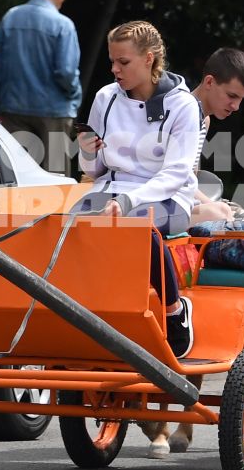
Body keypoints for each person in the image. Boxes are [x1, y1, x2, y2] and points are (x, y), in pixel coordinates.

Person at [74, 21, 201, 359]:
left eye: (123, 62)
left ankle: (175, 312)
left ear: (149, 59)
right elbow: (94, 170)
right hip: (110, 189)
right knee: (66, 230)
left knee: (135, 229)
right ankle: (86, 314)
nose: (115, 69)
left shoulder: (184, 105)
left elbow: (177, 172)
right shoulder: (106, 97)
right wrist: (87, 150)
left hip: (169, 197)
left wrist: (129, 200)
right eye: (112, 61)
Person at [0, 0, 81, 172]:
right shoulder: (64, 25)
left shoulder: (11, 17)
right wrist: (74, 95)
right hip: (54, 113)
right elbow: (66, 72)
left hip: (12, 110)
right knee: (56, 178)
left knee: (15, 174)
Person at [187, 47, 244, 224]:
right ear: (209, 82)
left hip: (192, 204)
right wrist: (215, 207)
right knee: (226, 213)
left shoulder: (204, 120)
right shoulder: (182, 113)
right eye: (232, 96)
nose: (236, 106)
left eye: (241, 99)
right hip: (170, 209)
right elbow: (177, 180)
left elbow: (191, 178)